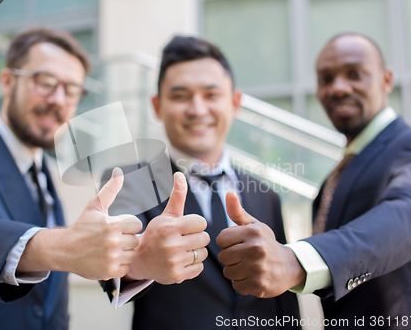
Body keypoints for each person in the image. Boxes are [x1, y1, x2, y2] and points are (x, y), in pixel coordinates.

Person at [0, 28, 145, 330]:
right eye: (45, 82)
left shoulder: (45, 176)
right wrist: (63, 246)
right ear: (6, 81)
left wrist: (137, 261)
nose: (58, 99)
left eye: (71, 90)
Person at [217, 33, 411, 329]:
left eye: (355, 74)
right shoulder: (333, 179)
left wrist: (293, 261)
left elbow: (405, 217)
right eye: (326, 78)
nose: (339, 88)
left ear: (387, 80)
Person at [103, 36, 300, 330]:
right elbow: (109, 266)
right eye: (180, 96)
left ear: (235, 103)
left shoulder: (267, 196)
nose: (197, 109)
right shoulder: (127, 182)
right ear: (157, 106)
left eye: (211, 94)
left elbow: (282, 299)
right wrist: (140, 262)